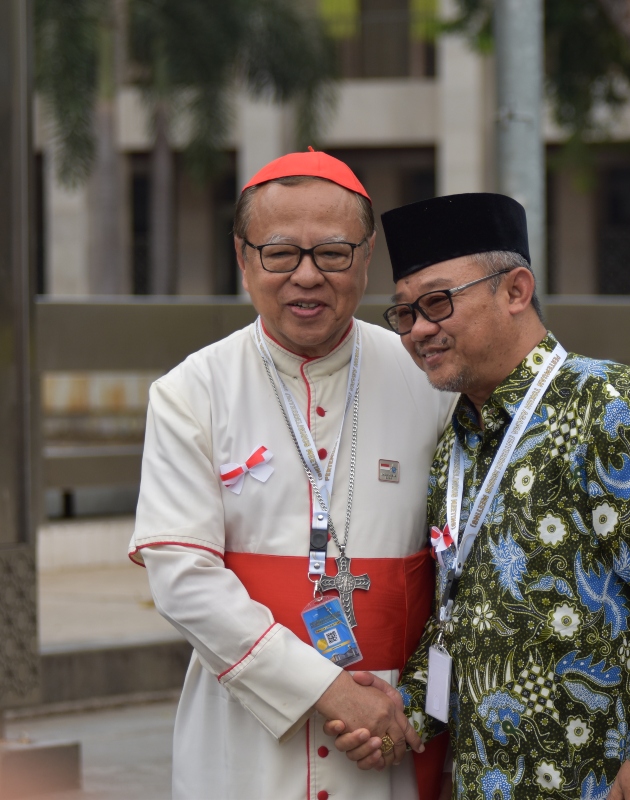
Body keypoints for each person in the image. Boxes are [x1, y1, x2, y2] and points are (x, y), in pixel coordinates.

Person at [324, 192, 630, 798]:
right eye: (405, 313)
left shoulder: (606, 404)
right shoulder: (456, 443)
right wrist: (405, 713)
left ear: (516, 290)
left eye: (438, 302)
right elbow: (458, 618)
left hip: (617, 783)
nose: (419, 330)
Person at [128, 150, 454, 800]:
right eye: (280, 253)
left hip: (394, 732)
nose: (307, 276)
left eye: (333, 253)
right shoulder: (193, 391)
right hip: (247, 741)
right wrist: (327, 690)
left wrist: (413, 708)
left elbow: (464, 572)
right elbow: (183, 581)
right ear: (244, 257)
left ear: (366, 258)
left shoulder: (431, 381)